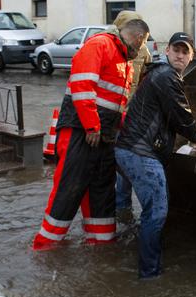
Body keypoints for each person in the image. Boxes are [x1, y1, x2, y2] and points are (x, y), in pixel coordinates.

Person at [32, 18, 150, 250]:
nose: (143, 48)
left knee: (102, 191)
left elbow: (115, 104)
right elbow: (82, 85)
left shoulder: (123, 59)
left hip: (102, 136)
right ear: (138, 38)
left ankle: (101, 243)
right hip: (80, 131)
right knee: (69, 188)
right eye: (144, 42)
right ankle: (45, 247)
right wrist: (92, 126)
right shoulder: (101, 45)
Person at [115, 32, 196, 278]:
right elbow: (181, 114)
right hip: (139, 152)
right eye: (176, 50)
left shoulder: (157, 73)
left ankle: (123, 246)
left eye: (185, 52)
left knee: (152, 207)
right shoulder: (166, 75)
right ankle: (150, 272)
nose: (180, 55)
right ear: (167, 51)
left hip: (130, 148)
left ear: (191, 57)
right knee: (156, 211)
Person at [104, 11, 154, 225]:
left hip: (128, 113)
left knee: (124, 160)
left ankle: (121, 206)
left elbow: (145, 77)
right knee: (107, 161)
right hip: (106, 113)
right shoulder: (106, 44)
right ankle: (109, 206)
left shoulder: (142, 50)